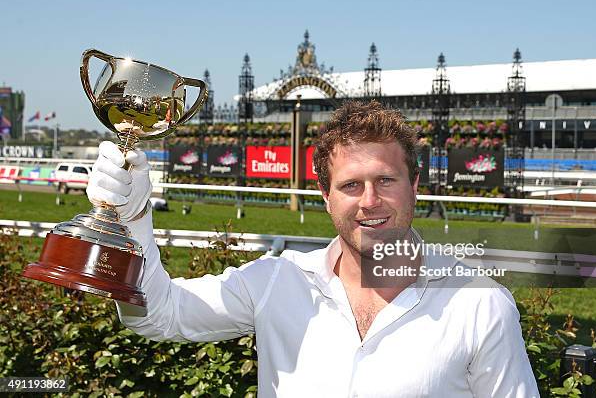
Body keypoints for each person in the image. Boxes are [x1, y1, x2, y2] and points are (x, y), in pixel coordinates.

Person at [87, 101, 539, 397]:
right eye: (350, 185)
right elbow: (155, 315)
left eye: (385, 180)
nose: (369, 201)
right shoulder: (274, 281)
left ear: (415, 187)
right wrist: (133, 219)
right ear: (325, 196)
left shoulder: (481, 305)